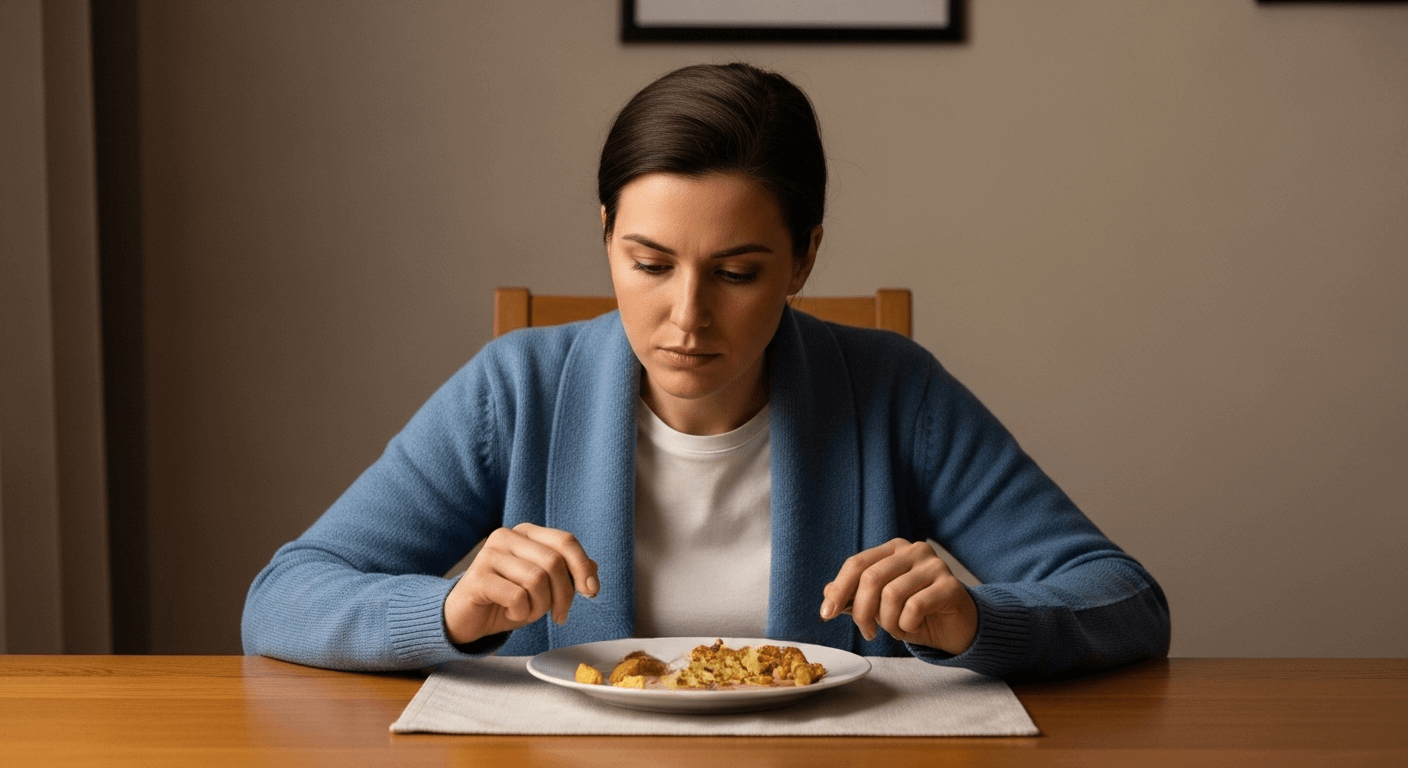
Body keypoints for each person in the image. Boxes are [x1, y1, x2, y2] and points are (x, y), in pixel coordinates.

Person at [242, 63, 1170, 678]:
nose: (687, 318)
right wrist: (450, 610)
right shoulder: (516, 388)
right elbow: (284, 598)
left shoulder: (894, 391)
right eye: (649, 265)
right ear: (606, 238)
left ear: (802, 260)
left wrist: (978, 619)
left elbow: (1125, 600)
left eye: (737, 273)